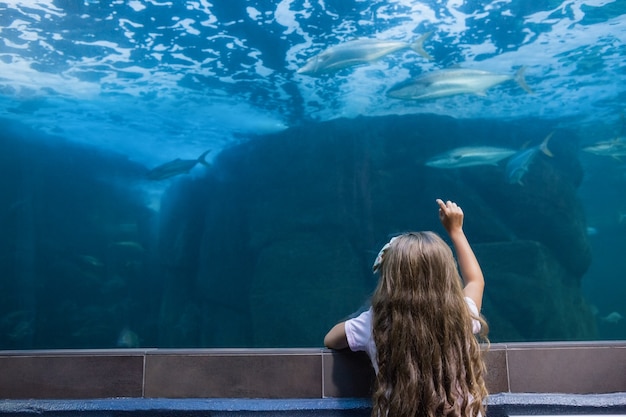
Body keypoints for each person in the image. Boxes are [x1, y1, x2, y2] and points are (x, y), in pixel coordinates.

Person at [324, 199, 489, 417]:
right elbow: (475, 280)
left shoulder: (376, 323)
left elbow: (331, 339)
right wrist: (456, 231)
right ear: (447, 274)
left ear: (390, 279)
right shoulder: (462, 316)